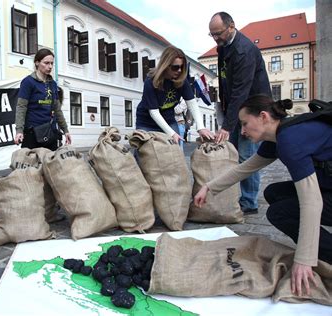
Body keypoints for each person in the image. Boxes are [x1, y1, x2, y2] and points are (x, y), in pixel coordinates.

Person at [194, 95, 332, 297]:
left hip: (325, 191)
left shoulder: (290, 140)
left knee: (278, 213)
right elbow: (246, 168)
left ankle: (325, 252)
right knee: (273, 193)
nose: (242, 131)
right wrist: (209, 187)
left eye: (244, 123)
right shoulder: (279, 134)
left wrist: (304, 259)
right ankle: (318, 243)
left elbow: (311, 202)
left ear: (263, 117)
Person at [209, 12, 272, 215]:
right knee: (234, 154)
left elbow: (241, 90)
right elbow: (225, 82)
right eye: (212, 35)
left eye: (218, 33)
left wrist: (227, 126)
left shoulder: (244, 50)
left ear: (231, 26)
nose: (216, 38)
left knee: (246, 156)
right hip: (237, 109)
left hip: (253, 110)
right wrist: (226, 111)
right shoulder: (223, 47)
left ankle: (250, 202)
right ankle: (238, 196)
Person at [135, 46, 214, 143]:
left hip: (169, 120)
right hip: (146, 123)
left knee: (175, 152)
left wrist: (201, 127)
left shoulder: (182, 81)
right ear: (165, 65)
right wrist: (171, 133)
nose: (179, 70)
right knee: (144, 154)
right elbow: (154, 112)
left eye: (182, 67)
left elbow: (192, 104)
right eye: (175, 67)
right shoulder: (151, 81)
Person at [14, 48, 72, 150]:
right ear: (37, 63)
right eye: (46, 63)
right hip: (32, 134)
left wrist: (65, 130)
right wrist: (19, 131)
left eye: (51, 63)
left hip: (50, 133)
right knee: (32, 165)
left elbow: (57, 110)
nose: (50, 66)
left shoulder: (53, 84)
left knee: (51, 165)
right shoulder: (28, 82)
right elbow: (21, 107)